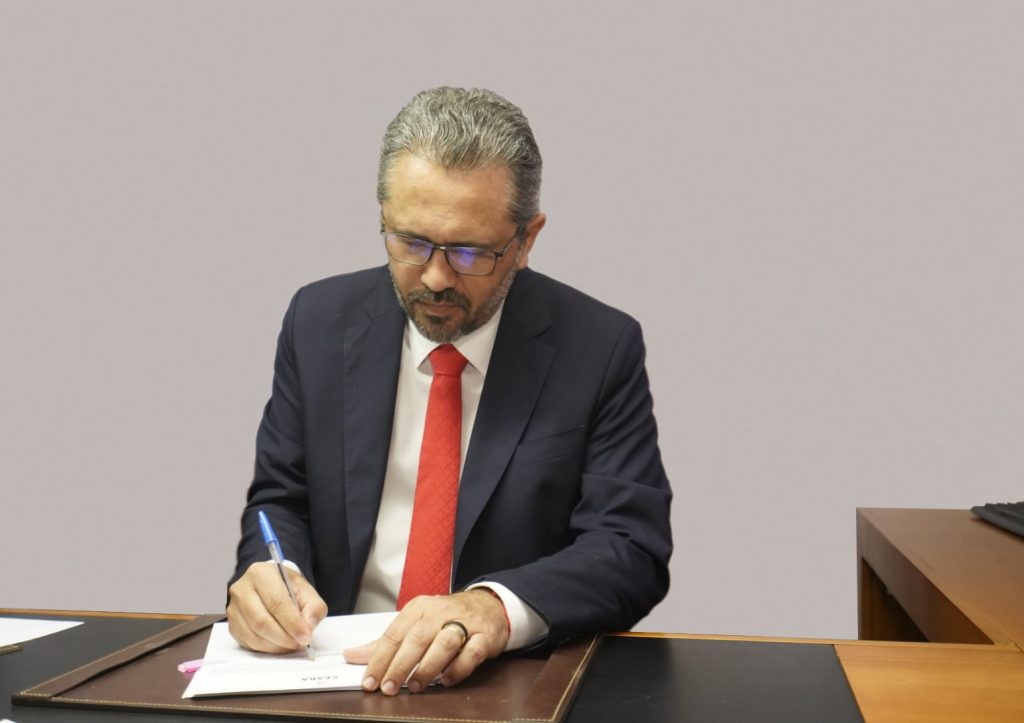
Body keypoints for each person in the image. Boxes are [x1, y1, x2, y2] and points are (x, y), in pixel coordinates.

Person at [227, 86, 672, 695]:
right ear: (382, 215)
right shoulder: (318, 321)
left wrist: (493, 608)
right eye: (410, 242)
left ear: (527, 239)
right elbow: (281, 499)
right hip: (334, 674)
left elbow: (629, 547)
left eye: (469, 252)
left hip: (500, 688)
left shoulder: (599, 348)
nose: (435, 278)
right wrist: (270, 574)